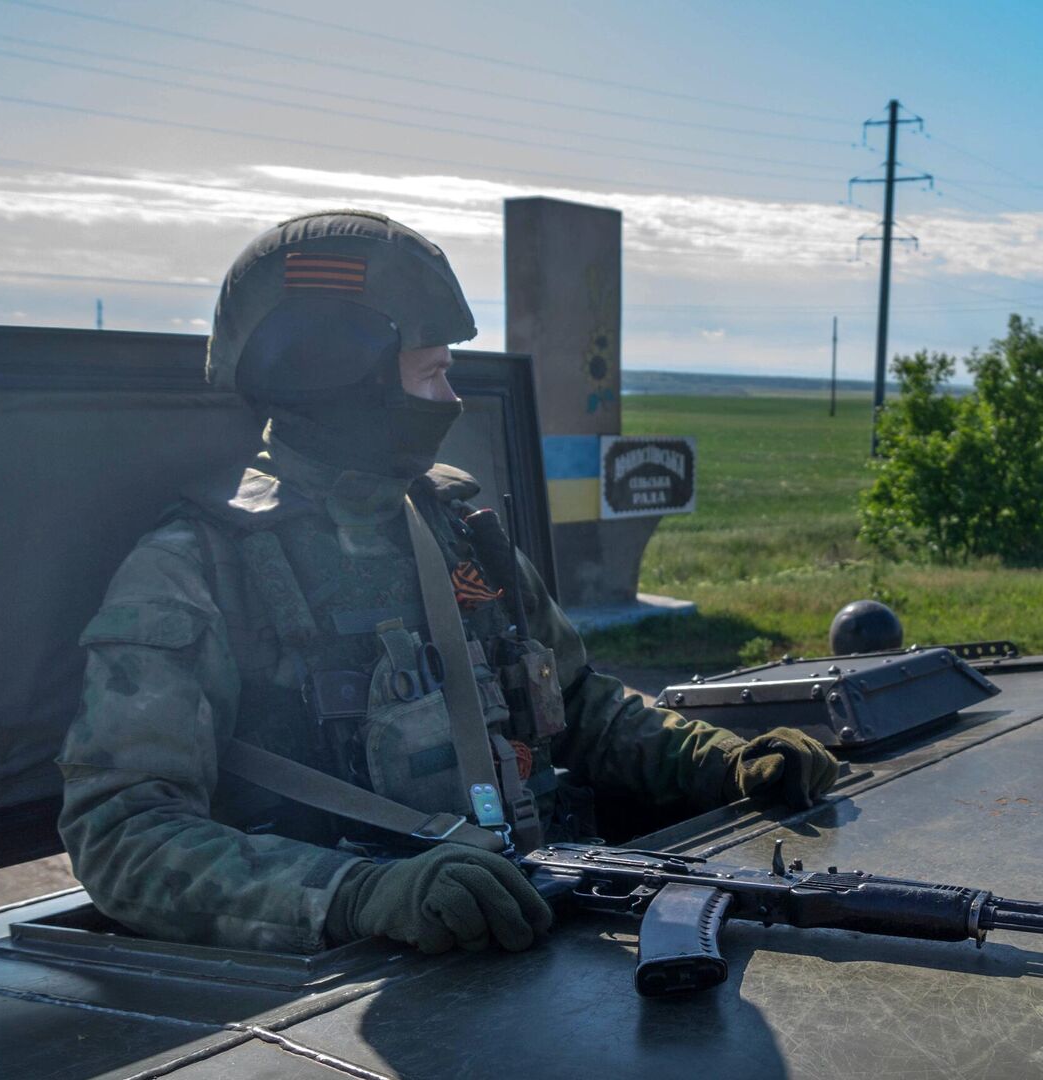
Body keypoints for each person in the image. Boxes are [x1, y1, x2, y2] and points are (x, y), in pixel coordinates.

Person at [57, 210, 837, 956]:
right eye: (431, 374)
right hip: (350, 986)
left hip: (531, 923)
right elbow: (122, 834)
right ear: (340, 378)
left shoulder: (453, 522)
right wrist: (358, 896)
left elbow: (579, 707)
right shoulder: (194, 569)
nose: (451, 401)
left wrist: (722, 761)